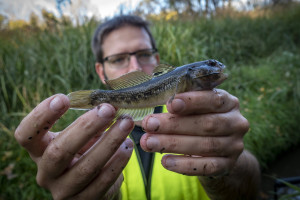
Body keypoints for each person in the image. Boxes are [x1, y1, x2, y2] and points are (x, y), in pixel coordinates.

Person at [15, 15, 260, 200]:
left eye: (144, 54)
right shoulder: (88, 140)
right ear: (101, 71)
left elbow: (248, 190)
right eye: (118, 58)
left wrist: (228, 163)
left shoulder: (201, 116)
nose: (134, 65)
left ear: (157, 59)